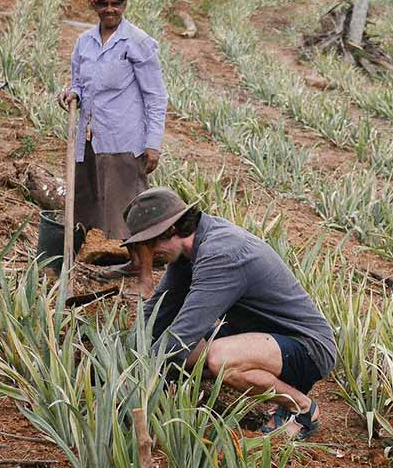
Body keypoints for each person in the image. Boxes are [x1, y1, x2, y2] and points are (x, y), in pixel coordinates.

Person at [123, 187, 337, 440]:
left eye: (149, 243)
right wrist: (124, 357)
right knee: (190, 355)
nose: (148, 254)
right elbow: (160, 311)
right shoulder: (189, 252)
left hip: (307, 348)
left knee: (218, 358)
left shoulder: (222, 253)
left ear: (171, 230)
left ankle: (301, 409)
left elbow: (186, 330)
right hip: (263, 337)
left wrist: (138, 392)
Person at [57, 0, 167, 294]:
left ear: (125, 3)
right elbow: (78, 82)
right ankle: (129, 264)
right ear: (94, 5)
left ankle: (145, 279)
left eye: (115, 3)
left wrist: (153, 144)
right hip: (91, 137)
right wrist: (71, 94)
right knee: (94, 202)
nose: (109, 9)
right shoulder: (85, 42)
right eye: (103, 3)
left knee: (131, 208)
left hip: (124, 138)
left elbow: (156, 96)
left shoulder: (138, 42)